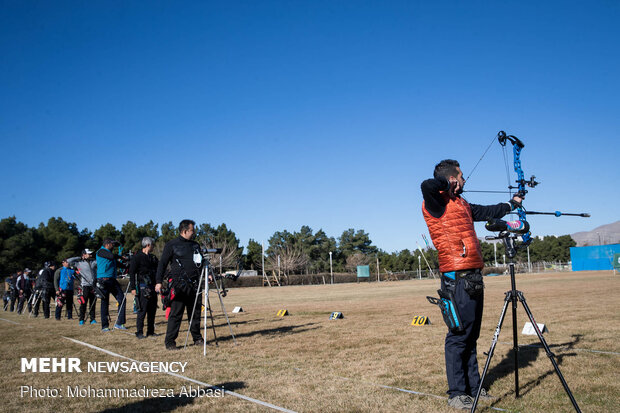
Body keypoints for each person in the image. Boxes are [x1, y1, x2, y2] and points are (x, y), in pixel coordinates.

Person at [421, 159, 522, 410]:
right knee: (458, 335)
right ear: (453, 179)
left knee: (472, 335)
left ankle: (474, 388)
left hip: (473, 275)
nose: (465, 181)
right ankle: (457, 393)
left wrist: (513, 204)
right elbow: (426, 185)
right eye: (461, 177)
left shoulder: (461, 204)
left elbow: (487, 211)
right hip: (456, 277)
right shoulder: (436, 202)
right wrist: (447, 183)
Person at [155, 219, 204, 350]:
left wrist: (208, 274)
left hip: (195, 285)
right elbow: (162, 264)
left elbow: (201, 262)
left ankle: (197, 338)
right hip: (179, 285)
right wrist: (158, 282)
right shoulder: (171, 245)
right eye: (192, 230)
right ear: (184, 231)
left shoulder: (195, 245)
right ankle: (170, 342)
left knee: (195, 313)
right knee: (176, 314)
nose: (193, 233)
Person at [129, 237, 159, 339]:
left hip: (153, 286)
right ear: (148, 245)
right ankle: (139, 332)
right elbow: (132, 273)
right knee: (142, 310)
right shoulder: (137, 257)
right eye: (152, 245)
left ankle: (150, 331)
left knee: (152, 310)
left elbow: (158, 269)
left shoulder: (153, 258)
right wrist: (133, 288)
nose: (153, 247)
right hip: (143, 286)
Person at [96, 239, 127, 332]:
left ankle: (119, 323)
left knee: (122, 298)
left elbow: (117, 263)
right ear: (107, 244)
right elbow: (111, 256)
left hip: (112, 280)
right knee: (105, 302)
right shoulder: (101, 251)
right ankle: (104, 326)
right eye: (112, 245)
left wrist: (127, 265)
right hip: (103, 280)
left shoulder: (110, 255)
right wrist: (121, 257)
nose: (113, 246)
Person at [68, 249, 98, 325]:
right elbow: (68, 261)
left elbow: (100, 262)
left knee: (93, 303)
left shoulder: (93, 262)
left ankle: (92, 319)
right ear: (84, 254)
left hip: (93, 286)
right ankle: (81, 319)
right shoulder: (79, 263)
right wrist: (79, 257)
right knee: (83, 303)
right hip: (85, 286)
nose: (90, 255)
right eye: (88, 254)